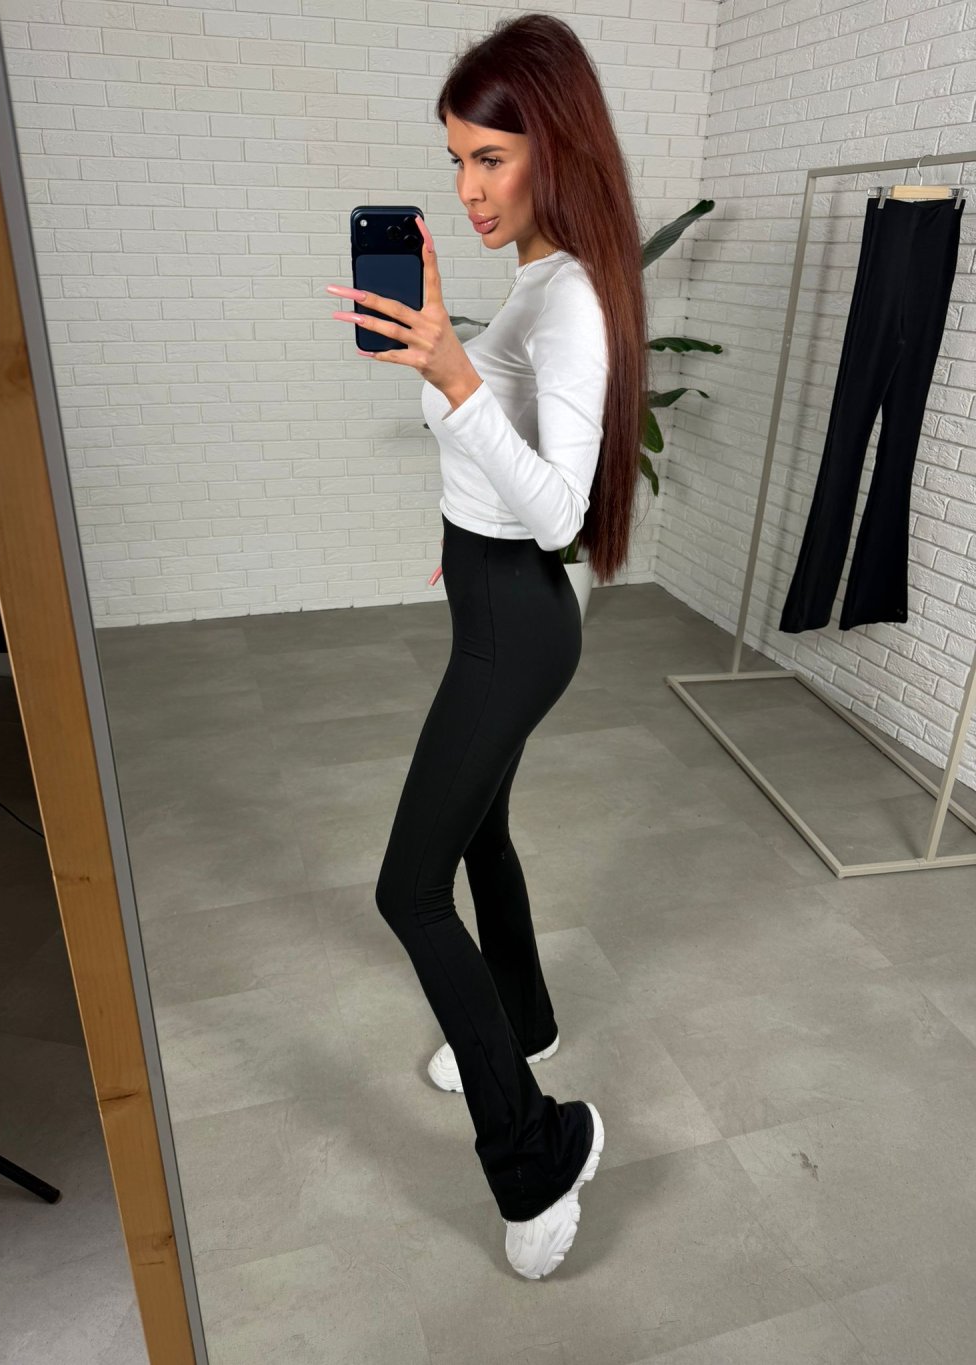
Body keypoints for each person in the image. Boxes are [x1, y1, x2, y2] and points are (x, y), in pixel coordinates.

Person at [331, 13, 650, 1278]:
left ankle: (538, 1152)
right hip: (493, 600)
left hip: (517, 632)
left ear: (554, 150)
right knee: (480, 835)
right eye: (456, 160)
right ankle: (524, 1021)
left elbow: (560, 509)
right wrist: (462, 534)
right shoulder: (535, 278)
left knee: (407, 891)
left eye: (491, 159)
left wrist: (455, 375)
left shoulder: (568, 301)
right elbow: (503, 472)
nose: (467, 188)